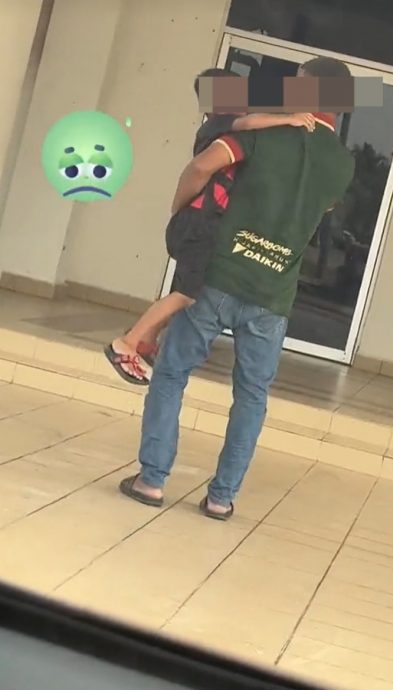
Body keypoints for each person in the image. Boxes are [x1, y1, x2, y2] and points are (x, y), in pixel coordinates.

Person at [119, 57, 355, 520]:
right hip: (274, 294)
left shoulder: (266, 130)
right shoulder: (343, 165)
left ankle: (152, 480)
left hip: (217, 276)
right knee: (251, 396)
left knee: (171, 373)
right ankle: (222, 498)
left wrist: (181, 210)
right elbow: (320, 209)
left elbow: (202, 166)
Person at [104, 67, 316, 385]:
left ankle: (146, 343)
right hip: (200, 223)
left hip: (200, 223)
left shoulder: (219, 126)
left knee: (184, 290)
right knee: (187, 295)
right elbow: (248, 123)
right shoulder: (220, 123)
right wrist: (289, 119)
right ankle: (127, 344)